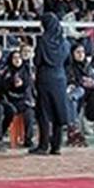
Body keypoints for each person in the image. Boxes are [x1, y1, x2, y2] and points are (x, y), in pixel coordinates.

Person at [32, 13, 70, 155]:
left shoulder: (43, 41)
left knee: (44, 113)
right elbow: (68, 61)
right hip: (60, 78)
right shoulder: (65, 43)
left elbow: (37, 61)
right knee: (58, 111)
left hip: (45, 78)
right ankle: (56, 146)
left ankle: (43, 145)